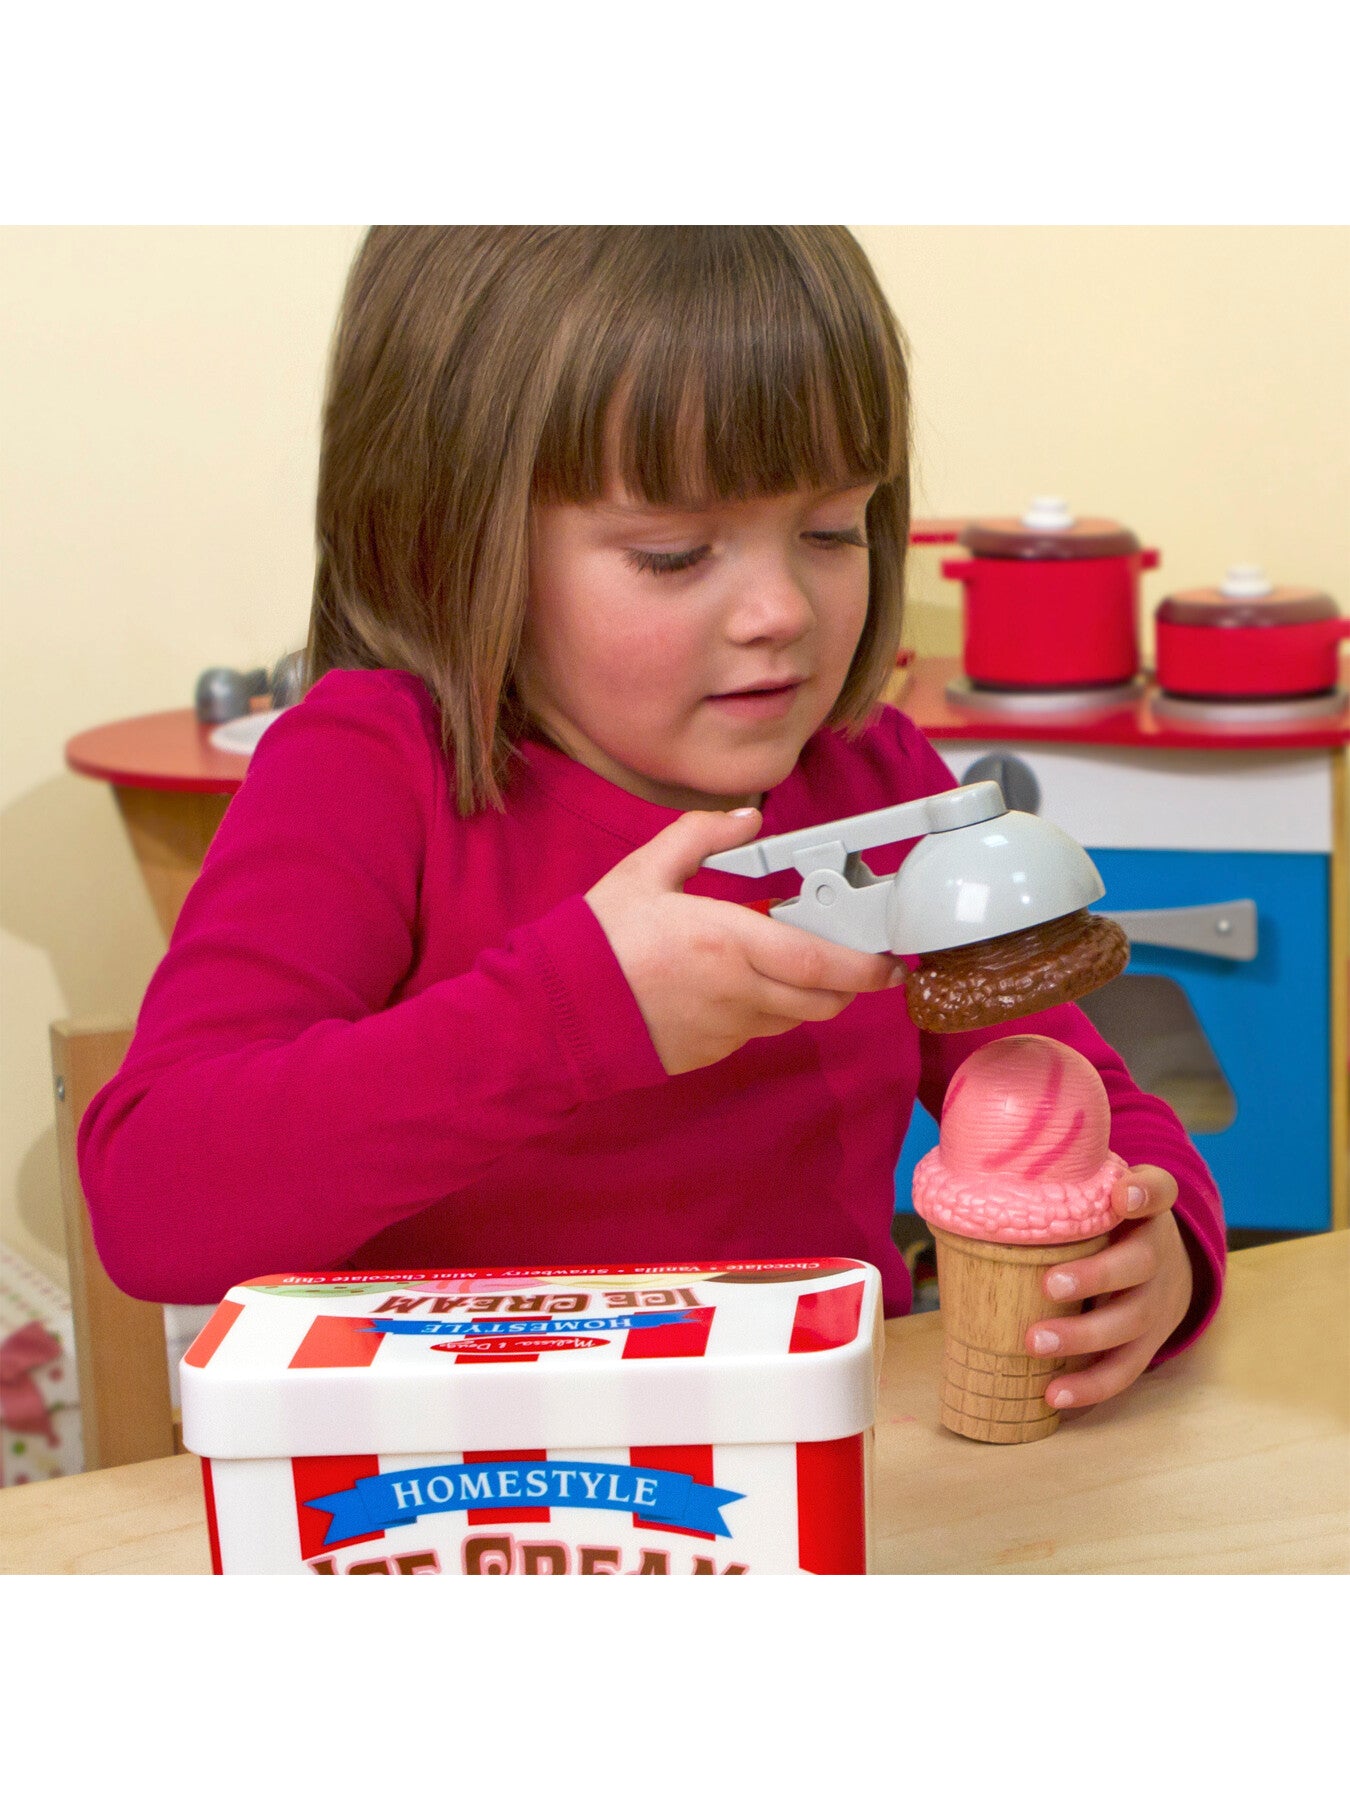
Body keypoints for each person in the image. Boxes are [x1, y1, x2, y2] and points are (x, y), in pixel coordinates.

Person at [79, 226, 1223, 1417]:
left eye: (832, 530)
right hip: (449, 1497)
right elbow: (155, 1201)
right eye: (674, 554)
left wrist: (1163, 1254)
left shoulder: (873, 778)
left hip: (809, 1469)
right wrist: (574, 1015)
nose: (782, 609)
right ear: (454, 536)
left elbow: (1074, 1086)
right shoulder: (370, 773)